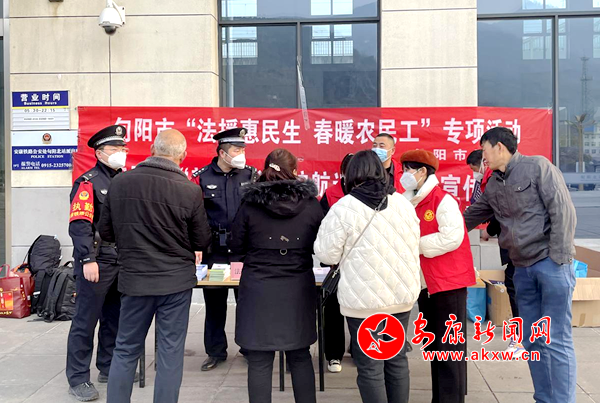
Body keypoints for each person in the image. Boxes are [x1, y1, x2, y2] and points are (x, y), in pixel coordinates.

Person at [464, 127, 577, 403]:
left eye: (485, 150)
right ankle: (544, 399)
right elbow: (469, 217)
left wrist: (559, 259)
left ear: (499, 147)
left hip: (550, 264)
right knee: (533, 340)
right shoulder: (493, 185)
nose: (483, 157)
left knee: (556, 339)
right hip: (522, 270)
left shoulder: (538, 167)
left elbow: (563, 212)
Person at [99, 129, 212, 403]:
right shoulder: (189, 190)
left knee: (125, 349)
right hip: (175, 283)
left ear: (152, 149)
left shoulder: (120, 182)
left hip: (135, 280)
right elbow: (201, 240)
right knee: (170, 354)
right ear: (182, 156)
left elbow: (106, 232)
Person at [314, 150, 421, 403]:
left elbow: (326, 254)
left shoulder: (343, 207)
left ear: (351, 175)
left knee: (370, 367)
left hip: (363, 302)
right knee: (396, 360)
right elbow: (415, 241)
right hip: (400, 297)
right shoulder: (403, 204)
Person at [230, 149, 324, 403]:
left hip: (258, 287)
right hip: (298, 287)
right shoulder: (311, 204)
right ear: (295, 171)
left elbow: (236, 244)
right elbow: (322, 244)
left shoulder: (250, 204)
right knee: (300, 355)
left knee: (259, 359)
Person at [401, 149, 475, 403]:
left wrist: (415, 245)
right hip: (427, 284)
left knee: (449, 348)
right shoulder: (409, 201)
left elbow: (452, 237)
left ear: (423, 171)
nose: (404, 174)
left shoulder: (442, 200)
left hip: (448, 283)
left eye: (408, 169)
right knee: (435, 347)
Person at [66, 124, 132, 401]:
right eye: (114, 148)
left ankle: (108, 365)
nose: (120, 152)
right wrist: (87, 259)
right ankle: (78, 378)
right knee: (85, 320)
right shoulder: (88, 182)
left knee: (114, 318)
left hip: (121, 260)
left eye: (122, 148)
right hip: (97, 260)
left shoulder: (124, 180)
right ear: (99, 152)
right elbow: (80, 225)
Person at [191, 127, 259, 371]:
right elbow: (195, 215)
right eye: (236, 150)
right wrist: (197, 246)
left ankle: (249, 348)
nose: (241, 154)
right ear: (222, 152)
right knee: (215, 304)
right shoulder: (201, 178)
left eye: (243, 149)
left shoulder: (251, 176)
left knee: (246, 302)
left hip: (242, 252)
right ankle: (215, 351)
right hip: (215, 253)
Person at [466, 150, 525, 357]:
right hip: (516, 246)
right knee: (519, 290)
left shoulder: (500, 179)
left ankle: (520, 339)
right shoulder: (493, 180)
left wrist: (488, 230)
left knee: (517, 291)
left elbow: (498, 212)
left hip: (520, 247)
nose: (475, 173)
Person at [319, 152, 353, 373]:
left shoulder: (372, 195)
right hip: (335, 264)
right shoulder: (331, 194)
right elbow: (321, 228)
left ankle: (360, 349)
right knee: (332, 310)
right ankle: (333, 355)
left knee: (361, 308)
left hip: (362, 262)